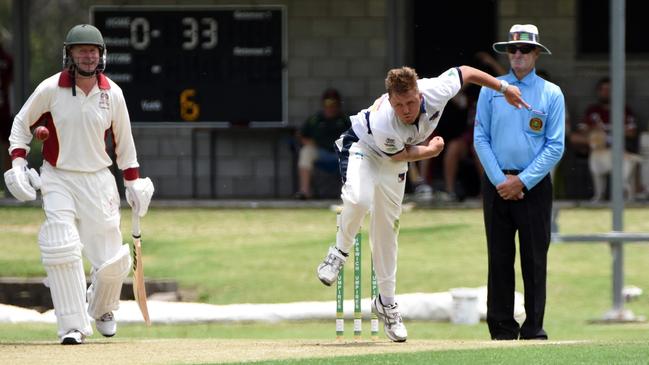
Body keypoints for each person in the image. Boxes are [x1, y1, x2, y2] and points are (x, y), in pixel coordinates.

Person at [316, 64, 527, 342]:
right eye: (399, 104)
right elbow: (399, 154)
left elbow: (467, 72)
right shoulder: (384, 120)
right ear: (390, 100)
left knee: (387, 231)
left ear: (420, 93)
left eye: (411, 102)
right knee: (358, 198)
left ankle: (387, 304)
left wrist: (504, 88)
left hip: (395, 160)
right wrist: (430, 151)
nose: (406, 110)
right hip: (364, 148)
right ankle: (339, 252)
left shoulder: (437, 89)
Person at [3, 24, 154, 345]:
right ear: (69, 54)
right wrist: (17, 162)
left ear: (101, 54)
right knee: (62, 245)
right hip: (58, 176)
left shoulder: (112, 93)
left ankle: (103, 308)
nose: (88, 56)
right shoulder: (50, 89)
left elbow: (124, 143)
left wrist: (134, 182)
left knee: (111, 259)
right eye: (81, 50)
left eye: (93, 51)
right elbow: (21, 124)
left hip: (99, 178)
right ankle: (72, 325)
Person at [474, 24, 565, 340]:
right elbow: (480, 136)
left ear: (536, 53)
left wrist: (522, 181)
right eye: (512, 50)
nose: (517, 55)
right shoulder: (492, 88)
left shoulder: (550, 93)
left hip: (534, 184)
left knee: (534, 257)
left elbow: (555, 145)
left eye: (524, 50)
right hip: (497, 183)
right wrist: (501, 180)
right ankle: (500, 327)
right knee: (498, 256)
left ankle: (533, 326)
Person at [294, 88, 350, 199]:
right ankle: (305, 191)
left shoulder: (345, 119)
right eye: (327, 103)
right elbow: (301, 135)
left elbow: (357, 136)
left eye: (334, 103)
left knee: (355, 155)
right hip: (321, 152)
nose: (330, 107)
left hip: (339, 154)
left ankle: (349, 193)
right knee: (306, 152)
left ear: (339, 104)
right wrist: (309, 142)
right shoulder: (315, 119)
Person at [0, 34, 13, 184]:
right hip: (4, 108)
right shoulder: (7, 59)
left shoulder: (7, 59)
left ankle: (10, 184)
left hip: (4, 108)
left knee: (8, 145)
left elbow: (10, 82)